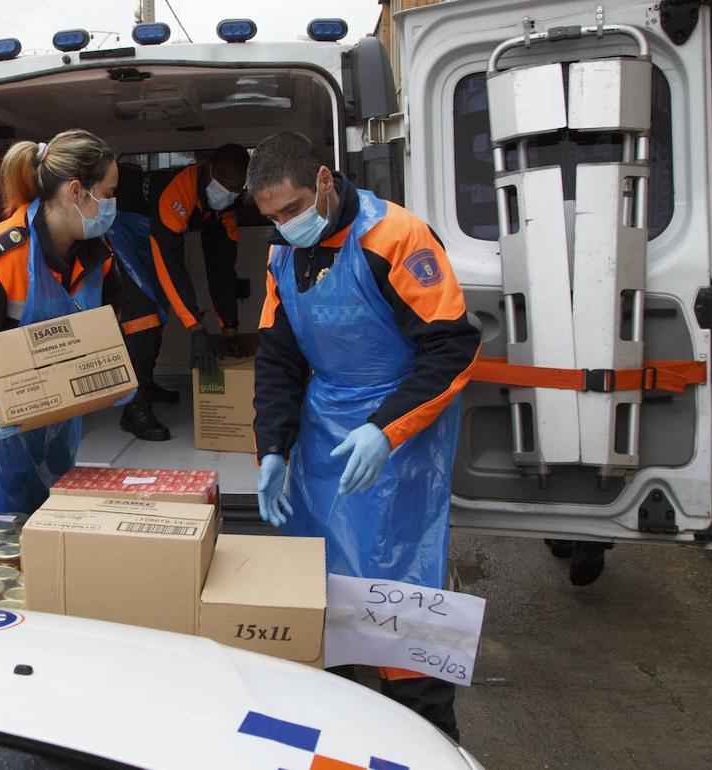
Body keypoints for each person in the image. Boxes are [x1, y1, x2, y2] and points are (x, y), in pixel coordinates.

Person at [248, 131, 480, 739]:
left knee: (397, 576)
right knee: (323, 577)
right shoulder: (281, 255)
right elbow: (278, 358)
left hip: (399, 436)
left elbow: (451, 348)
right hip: (324, 433)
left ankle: (427, 731)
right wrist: (272, 446)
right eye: (270, 217)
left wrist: (385, 430)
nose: (283, 225)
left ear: (325, 180)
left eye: (293, 209)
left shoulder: (395, 237)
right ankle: (340, 719)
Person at [0, 130, 132, 528]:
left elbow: (107, 326)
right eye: (110, 192)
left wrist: (113, 372)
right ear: (77, 192)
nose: (113, 205)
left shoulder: (98, 257)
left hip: (51, 439)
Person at [109, 143, 250, 441]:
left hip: (154, 234)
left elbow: (222, 269)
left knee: (161, 306)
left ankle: (144, 381)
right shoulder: (177, 189)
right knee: (144, 313)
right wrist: (196, 329)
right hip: (125, 229)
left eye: (235, 188)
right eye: (223, 184)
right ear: (207, 169)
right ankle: (133, 407)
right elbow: (170, 264)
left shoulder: (224, 208)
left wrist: (229, 329)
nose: (227, 192)